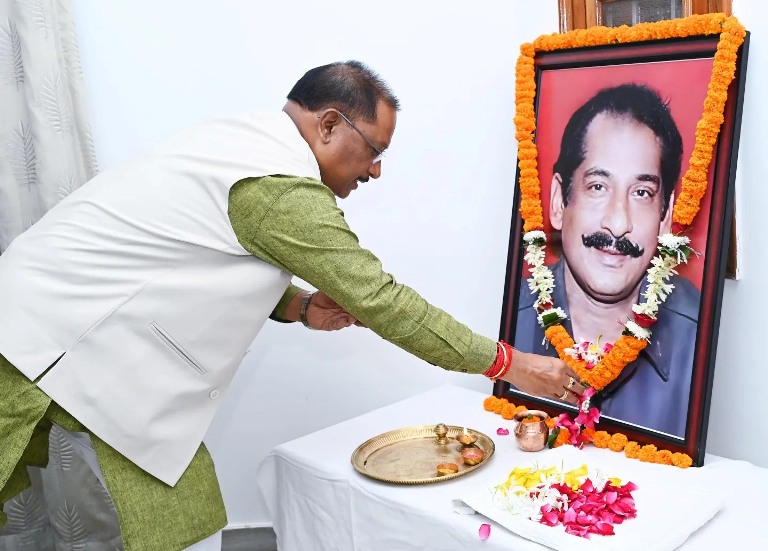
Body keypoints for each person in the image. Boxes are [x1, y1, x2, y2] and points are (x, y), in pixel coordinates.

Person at [0, 61, 579, 551]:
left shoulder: (244, 142)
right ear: (329, 124)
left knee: (184, 519)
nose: (376, 170)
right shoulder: (277, 184)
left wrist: (298, 306)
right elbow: (382, 299)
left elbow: (193, 252)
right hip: (52, 343)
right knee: (164, 525)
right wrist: (512, 364)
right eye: (375, 150)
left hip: (75, 338)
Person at [514, 83, 700, 438]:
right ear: (558, 201)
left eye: (642, 193)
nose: (617, 223)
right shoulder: (512, 320)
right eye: (598, 187)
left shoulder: (698, 335)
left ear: (665, 217)